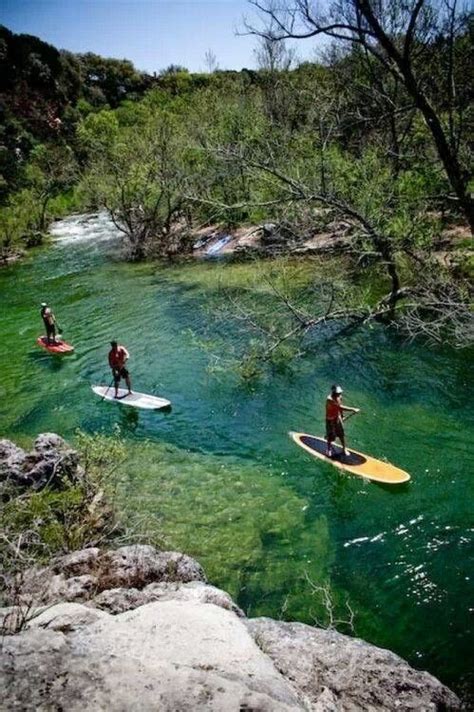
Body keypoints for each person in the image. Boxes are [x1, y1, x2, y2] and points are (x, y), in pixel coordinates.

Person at [325, 384, 359, 458]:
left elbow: (339, 408)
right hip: (330, 419)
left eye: (340, 392)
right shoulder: (329, 399)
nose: (339, 394)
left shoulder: (339, 397)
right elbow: (340, 407)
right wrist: (353, 409)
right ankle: (329, 449)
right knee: (330, 435)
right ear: (334, 392)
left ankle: (344, 449)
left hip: (337, 417)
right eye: (338, 393)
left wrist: (342, 416)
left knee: (341, 434)